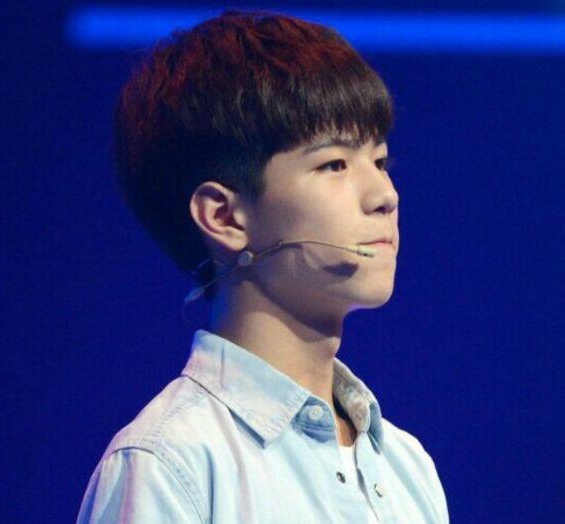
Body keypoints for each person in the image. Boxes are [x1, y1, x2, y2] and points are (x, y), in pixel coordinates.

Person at [76, 9, 449, 523]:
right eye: (334, 164)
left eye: (380, 161)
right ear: (224, 216)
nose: (384, 195)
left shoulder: (407, 466)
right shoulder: (170, 463)